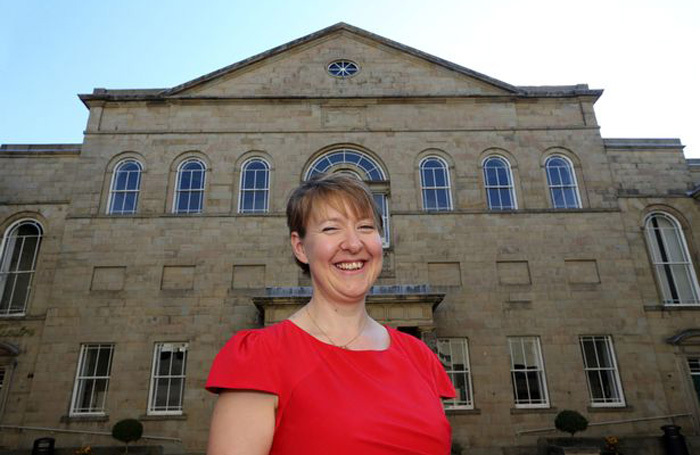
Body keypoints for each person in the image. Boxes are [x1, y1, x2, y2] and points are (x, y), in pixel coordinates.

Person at [206, 173, 456, 455]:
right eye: (330, 229)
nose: (353, 243)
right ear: (300, 247)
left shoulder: (419, 357)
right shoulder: (261, 357)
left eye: (365, 227)